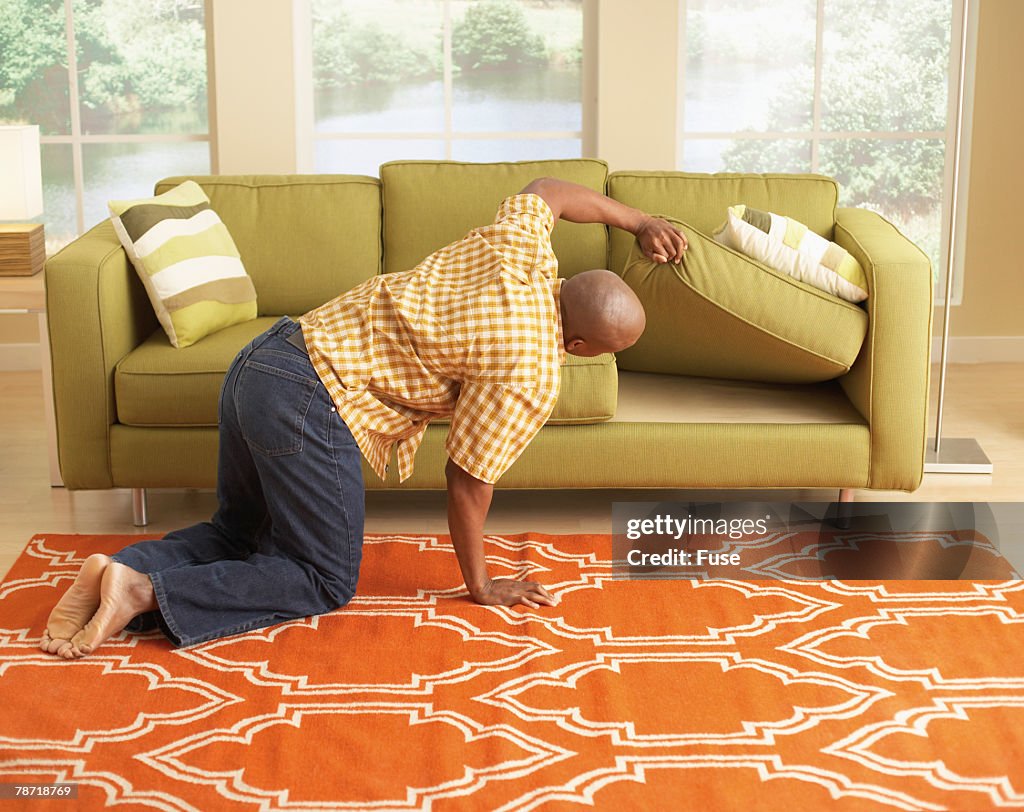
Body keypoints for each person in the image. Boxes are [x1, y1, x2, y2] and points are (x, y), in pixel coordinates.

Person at [39, 177, 688, 658]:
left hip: (264, 360)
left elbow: (549, 190)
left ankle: (120, 572)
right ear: (579, 349)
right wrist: (482, 585)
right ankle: (147, 596)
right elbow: (469, 481)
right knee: (322, 577)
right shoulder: (532, 370)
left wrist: (640, 222)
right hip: (308, 403)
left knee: (241, 533)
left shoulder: (523, 251)